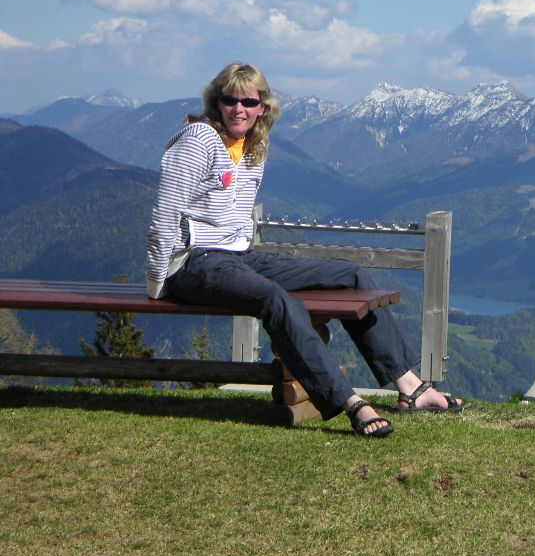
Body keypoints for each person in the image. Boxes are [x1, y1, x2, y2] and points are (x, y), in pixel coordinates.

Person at [146, 62, 465, 437]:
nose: (238, 109)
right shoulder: (198, 141)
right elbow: (164, 215)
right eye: (230, 100)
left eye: (249, 102)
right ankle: (350, 402)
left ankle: (410, 387)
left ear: (262, 107)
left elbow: (237, 217)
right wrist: (158, 281)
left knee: (352, 275)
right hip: (193, 263)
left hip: (238, 256)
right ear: (217, 102)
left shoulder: (253, 146)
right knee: (276, 300)